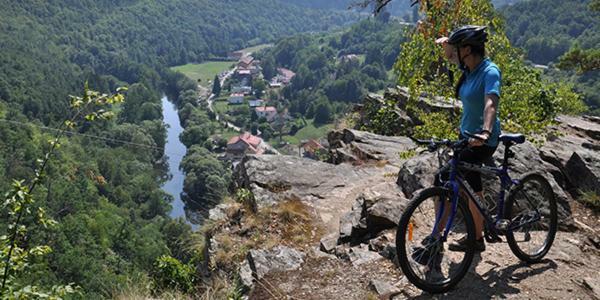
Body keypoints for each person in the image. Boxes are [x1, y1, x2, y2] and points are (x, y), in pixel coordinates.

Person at [435, 25, 502, 252]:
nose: (454, 53)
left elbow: (490, 103)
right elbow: (450, 57)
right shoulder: (469, 69)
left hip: (483, 140)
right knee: (473, 186)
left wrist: (485, 131)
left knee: (443, 178)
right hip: (466, 136)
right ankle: (478, 238)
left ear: (468, 49)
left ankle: (436, 236)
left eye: (458, 48)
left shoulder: (489, 71)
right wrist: (447, 43)